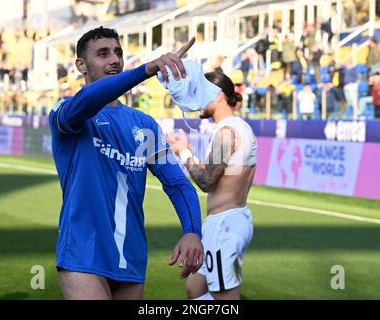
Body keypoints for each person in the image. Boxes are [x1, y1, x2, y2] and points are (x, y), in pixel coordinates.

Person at [49, 26, 204, 300]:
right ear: (81, 65)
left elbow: (178, 184)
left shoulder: (144, 124)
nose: (114, 60)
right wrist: (146, 69)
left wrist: (192, 232)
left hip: (130, 259)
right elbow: (88, 99)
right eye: (103, 53)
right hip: (83, 255)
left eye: (118, 53)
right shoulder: (68, 112)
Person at [167, 72, 256, 300]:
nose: (195, 101)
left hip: (225, 225)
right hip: (227, 221)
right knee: (195, 290)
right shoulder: (235, 128)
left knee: (224, 299)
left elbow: (206, 181)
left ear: (218, 96)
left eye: (199, 94)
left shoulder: (227, 132)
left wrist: (184, 152)